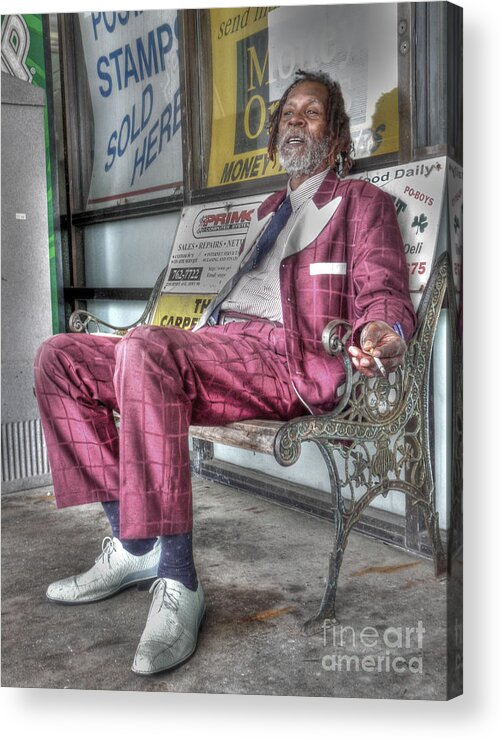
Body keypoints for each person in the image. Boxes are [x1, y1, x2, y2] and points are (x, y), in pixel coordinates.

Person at [34, 70, 416, 676]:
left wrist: (380, 333)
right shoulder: (267, 209)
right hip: (219, 346)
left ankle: (178, 578)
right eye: (288, 112)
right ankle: (132, 542)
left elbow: (384, 291)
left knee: (146, 350)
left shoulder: (360, 205)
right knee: (60, 358)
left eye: (312, 112)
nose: (295, 119)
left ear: (337, 134)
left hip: (285, 360)